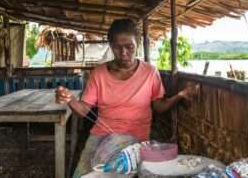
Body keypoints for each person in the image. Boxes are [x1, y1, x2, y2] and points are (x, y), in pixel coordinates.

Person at [56, 19, 195, 177]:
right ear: (110, 45)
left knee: (105, 171)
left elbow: (159, 106)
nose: (123, 53)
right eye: (117, 47)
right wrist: (69, 99)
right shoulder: (99, 73)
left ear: (138, 43)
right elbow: (83, 110)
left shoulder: (150, 73)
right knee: (82, 174)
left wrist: (179, 96)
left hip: (134, 139)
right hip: (99, 137)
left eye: (129, 47)